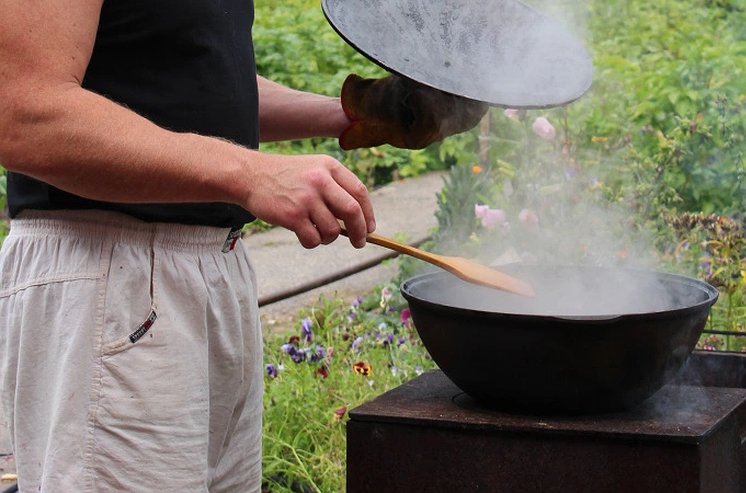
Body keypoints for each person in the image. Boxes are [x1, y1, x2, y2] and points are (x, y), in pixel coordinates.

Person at [0, 0, 486, 491]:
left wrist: (366, 115)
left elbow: (190, 79)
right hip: (114, 283)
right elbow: (22, 111)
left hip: (205, 274)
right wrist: (250, 173)